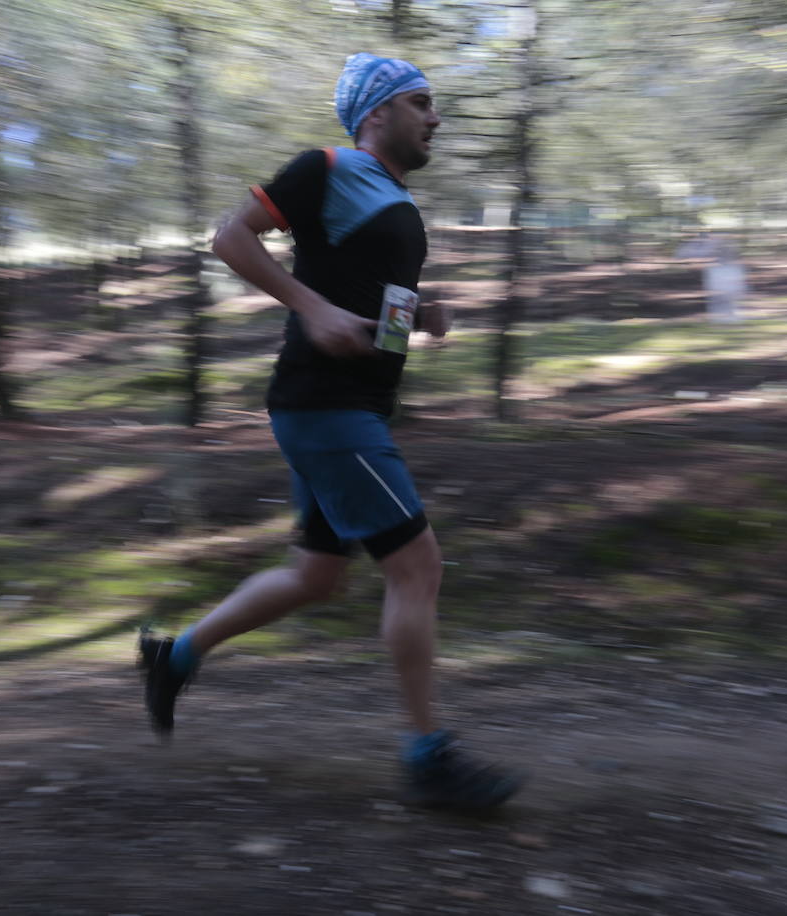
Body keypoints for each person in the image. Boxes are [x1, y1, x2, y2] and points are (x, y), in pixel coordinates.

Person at [139, 53, 524, 811]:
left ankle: (174, 657)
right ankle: (428, 759)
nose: (435, 117)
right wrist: (308, 308)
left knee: (317, 575)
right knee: (417, 568)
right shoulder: (325, 167)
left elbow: (367, 305)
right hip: (326, 408)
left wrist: (422, 311)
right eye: (422, 103)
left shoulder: (389, 198)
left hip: (347, 407)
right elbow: (230, 238)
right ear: (377, 113)